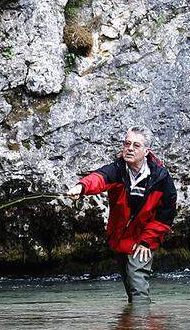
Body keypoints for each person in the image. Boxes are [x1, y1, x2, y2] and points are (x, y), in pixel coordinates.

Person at [67, 127, 177, 302]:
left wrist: (146, 241)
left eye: (136, 145)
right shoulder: (117, 169)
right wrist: (81, 188)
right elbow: (99, 178)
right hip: (120, 237)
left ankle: (142, 325)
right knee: (130, 285)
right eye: (127, 143)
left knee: (137, 281)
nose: (130, 148)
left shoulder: (161, 178)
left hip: (144, 238)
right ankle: (132, 327)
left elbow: (165, 216)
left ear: (146, 151)